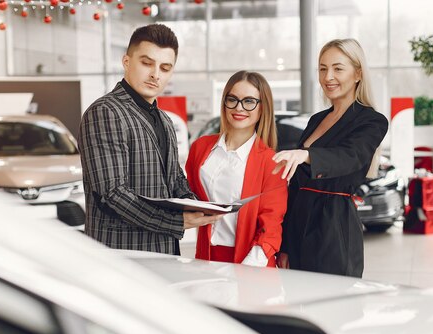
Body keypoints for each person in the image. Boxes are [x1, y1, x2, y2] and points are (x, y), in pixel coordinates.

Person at [78, 24, 220, 254]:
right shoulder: (105, 111)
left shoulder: (164, 119)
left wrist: (194, 203)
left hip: (164, 251)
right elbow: (112, 194)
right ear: (126, 62)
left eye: (165, 67)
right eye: (147, 63)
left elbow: (173, 177)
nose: (156, 74)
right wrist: (177, 222)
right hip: (121, 254)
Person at [273, 38, 389, 277]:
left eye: (338, 68)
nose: (328, 77)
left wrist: (307, 155)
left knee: (332, 308)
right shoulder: (316, 119)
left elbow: (350, 156)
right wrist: (285, 245)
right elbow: (296, 186)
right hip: (300, 224)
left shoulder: (371, 121)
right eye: (323, 69)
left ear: (357, 73)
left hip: (333, 227)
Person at [185, 71, 288, 266]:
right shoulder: (200, 148)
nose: (239, 108)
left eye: (249, 101)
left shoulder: (271, 162)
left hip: (251, 260)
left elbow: (272, 223)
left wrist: (248, 269)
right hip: (206, 257)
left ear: (262, 107)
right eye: (232, 99)